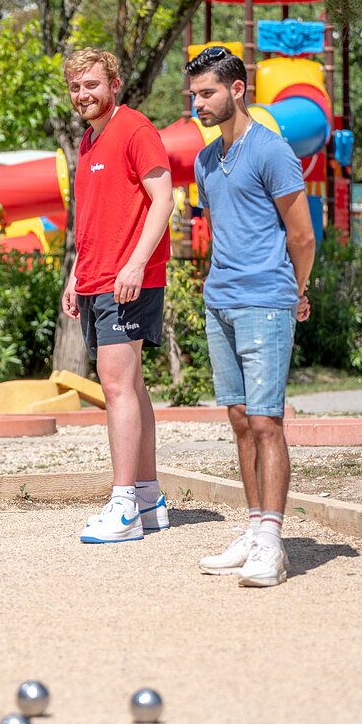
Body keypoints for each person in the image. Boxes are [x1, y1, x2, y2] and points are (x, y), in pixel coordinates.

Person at [186, 47, 316, 586]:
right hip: (221, 302)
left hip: (266, 302)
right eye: (193, 95)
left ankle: (273, 542)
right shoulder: (205, 160)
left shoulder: (272, 151)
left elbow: (302, 235)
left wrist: (298, 290)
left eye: (207, 93)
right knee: (240, 422)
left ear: (237, 90)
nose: (198, 104)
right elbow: (226, 230)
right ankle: (254, 527)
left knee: (267, 422)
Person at [61, 49, 175, 544]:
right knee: (131, 386)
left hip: (128, 280)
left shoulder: (134, 130)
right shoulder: (88, 141)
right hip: (96, 279)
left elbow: (164, 197)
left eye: (91, 84)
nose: (83, 95)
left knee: (117, 387)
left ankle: (124, 503)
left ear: (114, 84)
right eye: (76, 87)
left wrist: (134, 263)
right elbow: (92, 220)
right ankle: (149, 499)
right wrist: (74, 275)